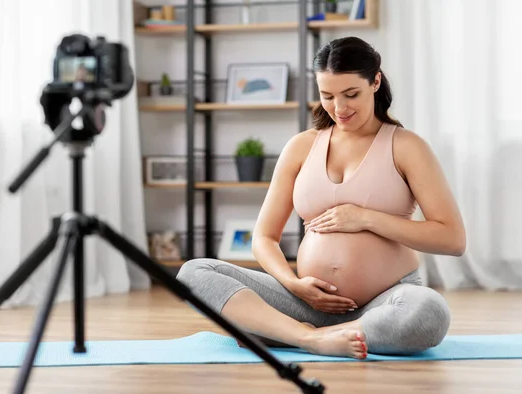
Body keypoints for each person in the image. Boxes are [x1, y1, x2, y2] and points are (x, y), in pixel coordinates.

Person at [176, 36, 466, 359]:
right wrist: (293, 283)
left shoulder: (407, 146)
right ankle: (308, 337)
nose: (339, 108)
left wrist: (366, 218)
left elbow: (452, 238)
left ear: (375, 82)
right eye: (327, 96)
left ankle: (289, 333)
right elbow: (263, 238)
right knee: (192, 273)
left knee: (430, 312)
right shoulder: (301, 146)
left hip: (385, 301)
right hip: (304, 302)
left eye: (350, 94)